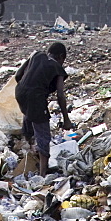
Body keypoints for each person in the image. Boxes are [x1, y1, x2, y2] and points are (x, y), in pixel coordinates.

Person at [15, 43, 73, 177]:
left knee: (29, 113)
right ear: (61, 57)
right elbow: (60, 95)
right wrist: (66, 119)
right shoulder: (57, 68)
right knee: (43, 134)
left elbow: (18, 76)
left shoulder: (36, 55)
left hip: (20, 92)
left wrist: (29, 86)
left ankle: (30, 146)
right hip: (35, 98)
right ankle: (42, 173)